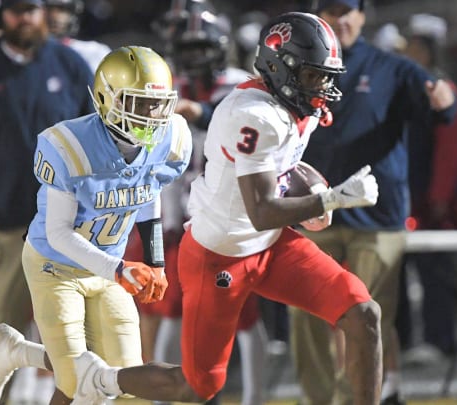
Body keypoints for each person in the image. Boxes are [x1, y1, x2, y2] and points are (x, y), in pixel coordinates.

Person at [69, 11, 384, 405]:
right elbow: (262, 209)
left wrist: (312, 183)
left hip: (269, 246)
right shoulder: (252, 115)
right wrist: (330, 198)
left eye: (325, 76)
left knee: (363, 314)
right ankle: (100, 380)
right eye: (311, 76)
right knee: (198, 387)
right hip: (219, 256)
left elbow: (283, 166)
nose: (321, 87)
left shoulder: (297, 108)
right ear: (279, 68)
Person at [0, 45, 190, 404]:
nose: (151, 115)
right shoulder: (70, 145)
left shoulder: (169, 140)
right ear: (108, 99)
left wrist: (154, 261)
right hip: (54, 266)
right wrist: (118, 268)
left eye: (156, 104)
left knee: (123, 378)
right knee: (79, 379)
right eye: (138, 104)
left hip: (108, 268)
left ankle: (20, 353)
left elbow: (146, 188)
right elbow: (58, 234)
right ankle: (20, 354)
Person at [287, 1, 457, 405]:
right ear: (317, 15)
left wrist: (444, 101)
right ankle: (319, 400)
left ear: (363, 16)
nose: (341, 19)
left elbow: (438, 108)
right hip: (313, 210)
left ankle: (354, 402)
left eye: (348, 10)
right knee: (305, 313)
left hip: (378, 215)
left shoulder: (393, 67)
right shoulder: (293, 63)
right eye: (331, 10)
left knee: (365, 317)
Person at [0, 0, 95, 403]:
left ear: (44, 12)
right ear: (1, 16)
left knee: (78, 326)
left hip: (71, 223)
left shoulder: (71, 64)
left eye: (31, 8)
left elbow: (99, 140)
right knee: (3, 327)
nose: (24, 18)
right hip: (8, 217)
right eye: (15, 10)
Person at [131, 2, 269, 404]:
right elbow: (160, 165)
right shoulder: (169, 88)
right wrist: (167, 220)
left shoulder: (240, 86)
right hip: (185, 213)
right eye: (185, 48)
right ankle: (163, 396)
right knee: (172, 307)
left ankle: (255, 397)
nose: (192, 57)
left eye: (199, 48)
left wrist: (203, 112)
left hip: (230, 215)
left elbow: (248, 134)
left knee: (242, 315)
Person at [396, 13, 457, 363]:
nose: (406, 49)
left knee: (435, 271)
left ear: (425, 49)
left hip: (428, 200)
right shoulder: (409, 86)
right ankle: (407, 340)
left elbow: (448, 150)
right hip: (407, 197)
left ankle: (441, 340)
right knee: (399, 271)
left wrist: (439, 196)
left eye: (411, 44)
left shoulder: (442, 90)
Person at [45, 0, 111, 72]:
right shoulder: (32, 56)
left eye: (62, 9)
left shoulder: (95, 52)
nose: (55, 16)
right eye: (49, 10)